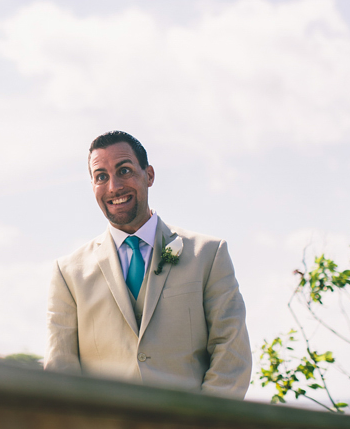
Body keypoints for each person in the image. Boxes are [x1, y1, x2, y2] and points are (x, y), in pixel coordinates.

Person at [44, 131, 251, 397]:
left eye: (125, 170)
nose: (114, 187)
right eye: (101, 177)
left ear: (149, 175)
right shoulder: (68, 273)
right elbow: (61, 373)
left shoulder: (208, 256)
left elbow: (231, 354)